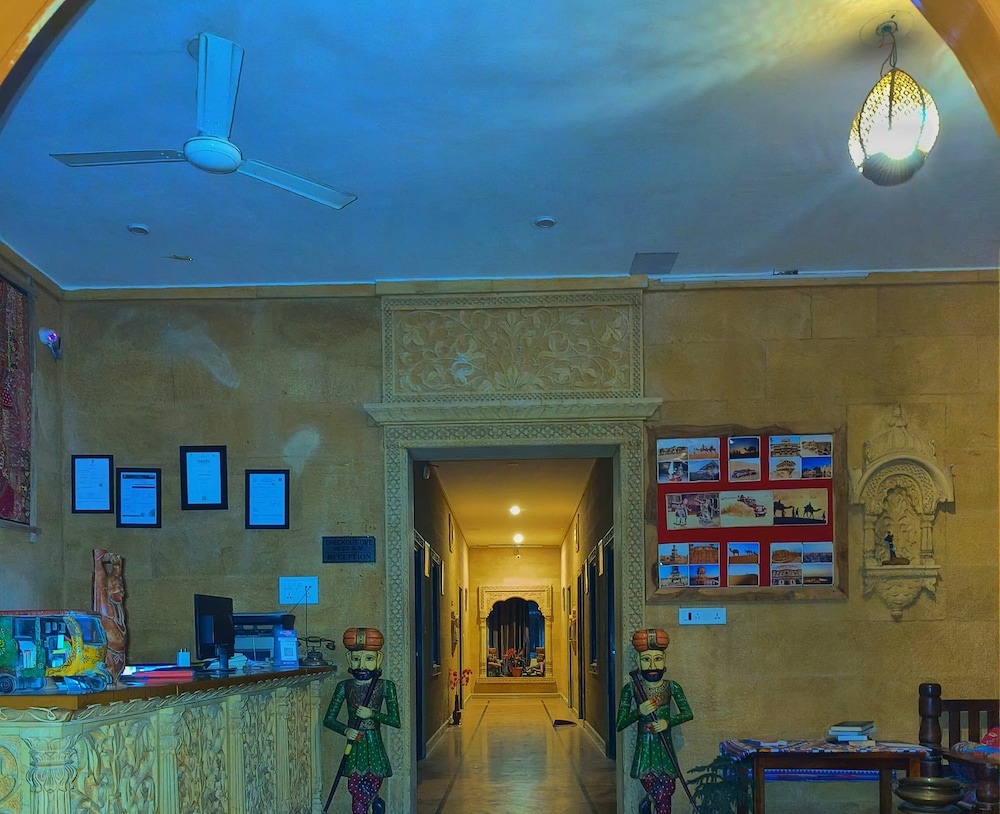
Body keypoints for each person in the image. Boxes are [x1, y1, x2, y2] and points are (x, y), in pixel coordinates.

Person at [323, 627, 400, 814]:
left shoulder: (386, 686)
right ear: (349, 659)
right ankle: (376, 802)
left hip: (374, 745)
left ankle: (375, 801)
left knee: (370, 786)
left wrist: (371, 714)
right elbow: (329, 719)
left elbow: (395, 721)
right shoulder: (344, 686)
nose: (361, 665)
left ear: (379, 659)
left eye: (369, 659)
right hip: (355, 743)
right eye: (356, 659)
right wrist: (346, 730)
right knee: (354, 788)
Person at [616, 628, 693, 814]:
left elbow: (687, 713)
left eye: (657, 659)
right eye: (646, 659)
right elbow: (620, 724)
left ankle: (649, 802)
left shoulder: (672, 687)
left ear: (664, 659)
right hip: (645, 749)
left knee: (667, 789)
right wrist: (639, 712)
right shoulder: (631, 689)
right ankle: (649, 800)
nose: (652, 665)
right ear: (638, 661)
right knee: (656, 789)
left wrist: (668, 722)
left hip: (665, 747)